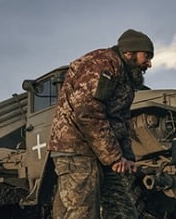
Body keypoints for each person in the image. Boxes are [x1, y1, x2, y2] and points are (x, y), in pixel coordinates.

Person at [48, 29, 154, 219]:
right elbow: (88, 113)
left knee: (123, 212)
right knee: (83, 213)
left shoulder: (125, 76)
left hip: (102, 152)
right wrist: (114, 156)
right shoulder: (102, 64)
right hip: (77, 150)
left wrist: (127, 157)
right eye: (146, 56)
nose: (149, 63)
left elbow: (121, 120)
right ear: (129, 52)